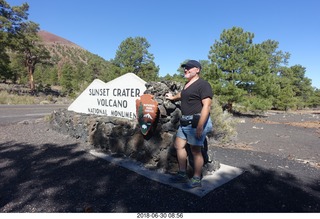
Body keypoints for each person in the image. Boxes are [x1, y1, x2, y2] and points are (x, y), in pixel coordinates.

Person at [165, 60, 213, 188]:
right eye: (185, 68)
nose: (186, 70)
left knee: (196, 150)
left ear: (197, 70)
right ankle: (182, 174)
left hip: (196, 122)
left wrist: (200, 126)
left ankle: (197, 178)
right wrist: (173, 97)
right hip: (184, 121)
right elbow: (183, 94)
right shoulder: (188, 85)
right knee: (179, 145)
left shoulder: (203, 85)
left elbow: (207, 106)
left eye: (189, 68)